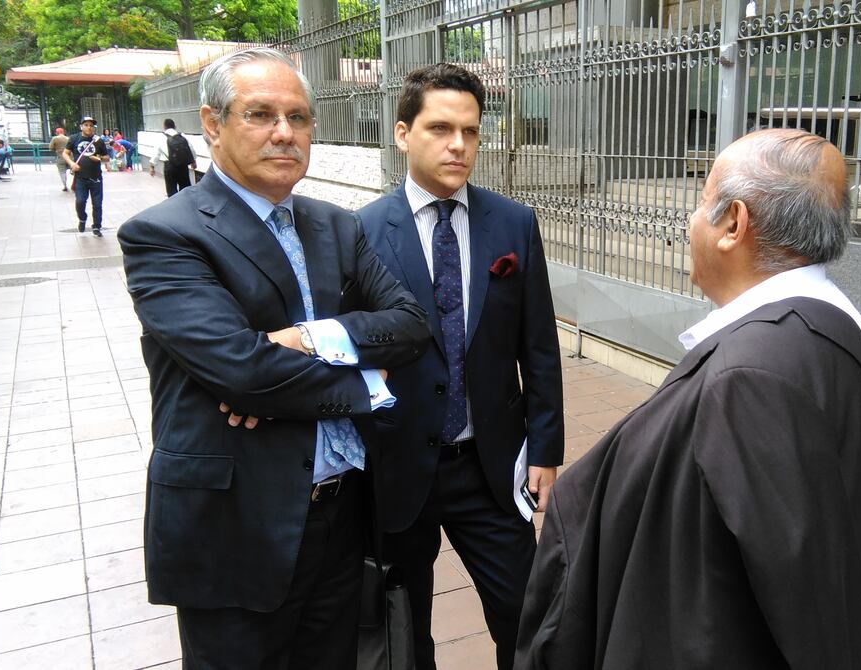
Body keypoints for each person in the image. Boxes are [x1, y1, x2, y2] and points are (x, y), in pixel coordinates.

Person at [515, 128, 861, 669]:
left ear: (734, 224)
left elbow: (794, 582)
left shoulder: (753, 377)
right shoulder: (831, 325)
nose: (690, 220)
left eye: (700, 202)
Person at [117, 46, 429, 669]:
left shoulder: (337, 225)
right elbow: (245, 370)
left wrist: (309, 338)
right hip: (236, 524)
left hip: (342, 512)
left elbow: (412, 325)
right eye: (260, 114)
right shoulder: (166, 233)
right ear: (212, 124)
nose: (284, 133)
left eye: (299, 117)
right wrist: (368, 381)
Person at [358, 63, 564, 670]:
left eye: (471, 131)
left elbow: (539, 346)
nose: (459, 145)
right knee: (404, 626)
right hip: (399, 464)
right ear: (403, 133)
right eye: (441, 128)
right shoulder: (363, 232)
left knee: (527, 617)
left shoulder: (514, 223)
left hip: (489, 464)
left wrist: (545, 449)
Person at [62, 115, 110, 236]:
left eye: (91, 125)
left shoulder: (98, 141)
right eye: (86, 125)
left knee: (97, 204)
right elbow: (65, 153)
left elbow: (107, 157)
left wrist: (99, 158)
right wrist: (72, 164)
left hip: (96, 178)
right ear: (81, 126)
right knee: (80, 201)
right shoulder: (74, 138)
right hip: (80, 178)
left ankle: (97, 227)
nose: (89, 127)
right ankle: (82, 219)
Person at [151, 118, 196, 196]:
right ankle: (185, 202)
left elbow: (156, 153)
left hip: (169, 166)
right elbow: (190, 148)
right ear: (175, 126)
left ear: (164, 127)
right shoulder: (182, 136)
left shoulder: (161, 137)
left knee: (171, 190)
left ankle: (175, 203)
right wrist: (193, 161)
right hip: (183, 166)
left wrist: (152, 166)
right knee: (185, 189)